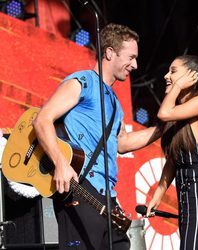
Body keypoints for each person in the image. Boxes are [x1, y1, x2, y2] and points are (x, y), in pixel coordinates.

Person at [33, 23, 162, 250]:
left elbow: (121, 145)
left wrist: (163, 130)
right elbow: (42, 120)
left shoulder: (115, 103)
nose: (135, 65)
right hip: (80, 187)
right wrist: (61, 164)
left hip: (107, 196)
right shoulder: (81, 82)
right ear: (110, 52)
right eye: (131, 57)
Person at [146, 55, 198, 250]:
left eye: (173, 72)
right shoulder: (182, 111)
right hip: (187, 193)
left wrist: (175, 87)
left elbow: (163, 113)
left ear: (192, 76)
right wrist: (158, 194)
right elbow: (174, 161)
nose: (166, 75)